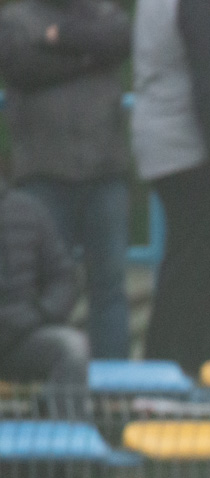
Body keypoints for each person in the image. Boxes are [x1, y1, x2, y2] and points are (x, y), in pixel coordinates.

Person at [131, 0, 210, 375]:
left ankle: (163, 374)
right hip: (194, 149)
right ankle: (181, 372)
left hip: (167, 143)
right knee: (200, 273)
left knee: (183, 264)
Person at [0, 0, 132, 361]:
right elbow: (21, 68)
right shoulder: (15, 19)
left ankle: (112, 385)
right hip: (42, 175)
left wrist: (60, 40)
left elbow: (122, 40)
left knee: (110, 287)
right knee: (39, 288)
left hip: (105, 171)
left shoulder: (105, 12)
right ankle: (48, 376)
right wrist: (90, 55)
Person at [0, 179, 88, 387]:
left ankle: (60, 410)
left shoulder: (29, 210)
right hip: (19, 326)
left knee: (72, 347)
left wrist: (40, 313)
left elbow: (63, 278)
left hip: (23, 334)